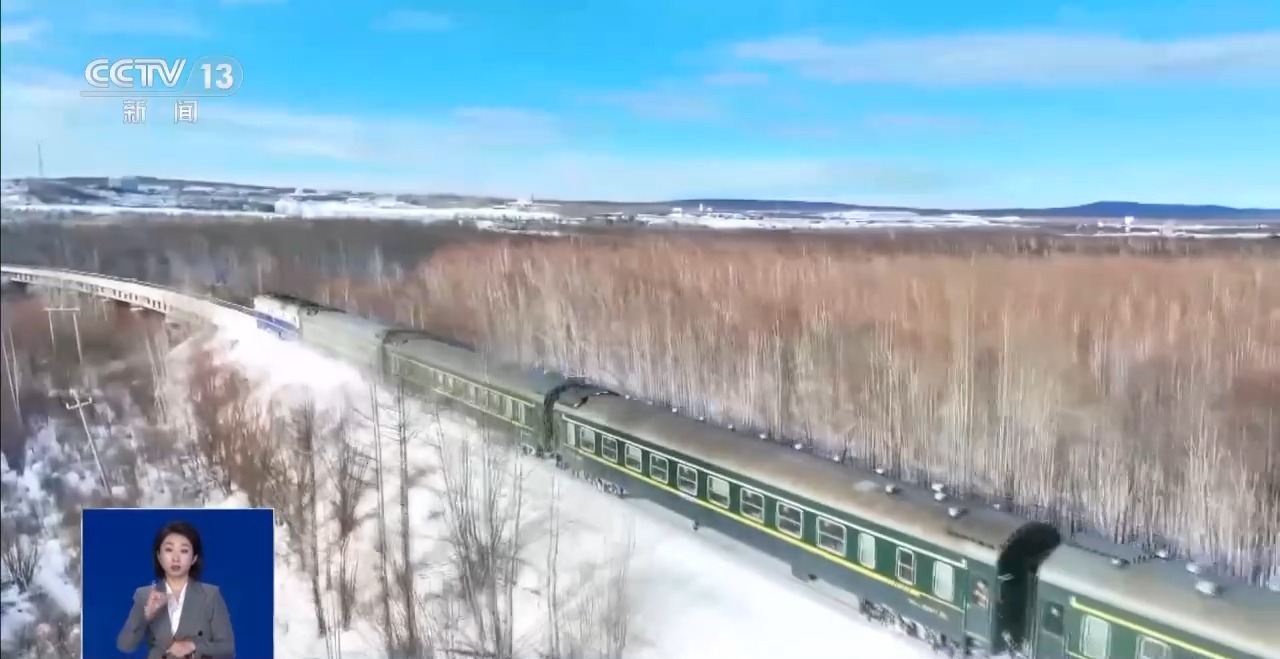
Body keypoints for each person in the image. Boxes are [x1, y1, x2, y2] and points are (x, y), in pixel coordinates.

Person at [116, 520, 236, 659]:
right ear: (159, 556)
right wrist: (146, 616)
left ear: (194, 558)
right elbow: (125, 645)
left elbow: (228, 648)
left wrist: (193, 646)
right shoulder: (144, 595)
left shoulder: (210, 595)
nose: (176, 558)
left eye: (184, 551)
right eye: (169, 550)